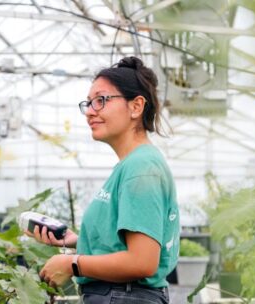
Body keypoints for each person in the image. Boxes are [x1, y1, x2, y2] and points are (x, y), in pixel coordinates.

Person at [26, 56, 180, 304]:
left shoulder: (141, 167)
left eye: (101, 100)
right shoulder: (131, 165)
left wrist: (72, 264)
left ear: (136, 107)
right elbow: (127, 245)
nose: (89, 111)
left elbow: (142, 261)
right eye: (88, 103)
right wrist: (78, 241)